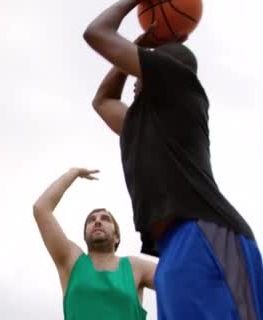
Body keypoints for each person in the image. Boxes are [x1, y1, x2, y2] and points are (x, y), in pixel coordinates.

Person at [83, 1, 263, 318]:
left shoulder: (180, 88)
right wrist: (136, 47)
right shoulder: (142, 121)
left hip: (207, 234)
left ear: (160, 73)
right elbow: (102, 101)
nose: (136, 76)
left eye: (143, 67)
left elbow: (97, 33)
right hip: (171, 249)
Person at [33, 167, 155, 320]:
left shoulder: (135, 267)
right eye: (91, 220)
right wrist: (73, 173)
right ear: (85, 235)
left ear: (117, 236)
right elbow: (41, 209)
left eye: (105, 219)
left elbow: (180, 281)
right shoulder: (71, 261)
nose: (97, 221)